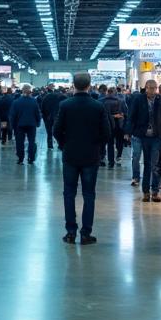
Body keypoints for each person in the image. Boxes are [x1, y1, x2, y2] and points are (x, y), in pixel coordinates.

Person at [53, 72, 111, 245]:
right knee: (89, 194)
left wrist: (64, 144)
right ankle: (86, 233)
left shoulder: (65, 105)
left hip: (70, 155)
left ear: (73, 85)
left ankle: (70, 232)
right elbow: (107, 133)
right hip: (91, 156)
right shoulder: (98, 106)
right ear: (89, 85)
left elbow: (56, 130)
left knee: (69, 194)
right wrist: (97, 146)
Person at [125, 79, 161, 202]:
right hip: (143, 136)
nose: (153, 91)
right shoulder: (138, 99)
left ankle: (155, 191)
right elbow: (131, 116)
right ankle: (146, 192)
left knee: (155, 164)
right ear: (146, 88)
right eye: (150, 88)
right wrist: (128, 132)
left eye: (155, 88)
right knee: (147, 164)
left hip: (157, 136)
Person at [9, 85, 42, 165]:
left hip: (19, 125)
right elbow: (37, 113)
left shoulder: (16, 102)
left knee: (19, 142)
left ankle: (20, 159)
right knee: (31, 141)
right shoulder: (33, 101)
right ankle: (31, 158)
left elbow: (12, 115)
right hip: (31, 124)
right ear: (29, 91)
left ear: (22, 91)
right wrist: (38, 122)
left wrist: (12, 126)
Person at [102, 87, 128, 168]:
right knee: (120, 142)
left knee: (110, 143)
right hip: (120, 124)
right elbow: (126, 113)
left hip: (108, 125)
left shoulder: (103, 101)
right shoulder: (121, 101)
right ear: (115, 93)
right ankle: (119, 156)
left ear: (108, 92)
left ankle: (111, 162)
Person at [40, 84, 65, 150]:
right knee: (57, 130)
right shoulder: (58, 96)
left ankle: (50, 145)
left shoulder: (45, 97)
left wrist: (44, 115)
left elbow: (42, 108)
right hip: (56, 116)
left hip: (47, 117)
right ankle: (59, 144)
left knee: (49, 132)